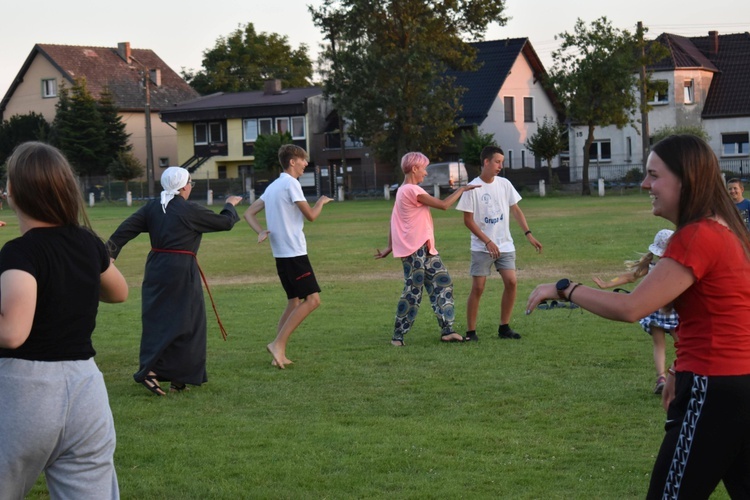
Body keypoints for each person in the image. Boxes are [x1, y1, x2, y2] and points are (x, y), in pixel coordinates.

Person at [526, 135, 750, 498]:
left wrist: (566, 288)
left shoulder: (697, 236)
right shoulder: (727, 230)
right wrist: (680, 368)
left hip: (714, 389)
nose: (645, 184)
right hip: (736, 384)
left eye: (653, 175)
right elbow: (729, 315)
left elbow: (631, 308)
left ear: (685, 179)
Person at [0, 142, 128, 499]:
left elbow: (11, 332)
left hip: (26, 390)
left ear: (14, 192)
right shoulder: (88, 243)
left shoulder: (21, 251)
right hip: (86, 389)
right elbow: (119, 292)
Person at [108, 167, 242, 395]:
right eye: (190, 182)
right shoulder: (188, 209)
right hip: (181, 271)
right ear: (183, 186)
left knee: (158, 321)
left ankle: (172, 377)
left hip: (156, 268)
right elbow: (225, 222)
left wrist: (108, 257)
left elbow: (124, 231)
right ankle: (161, 374)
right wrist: (230, 204)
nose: (191, 187)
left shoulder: (153, 206)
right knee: (188, 322)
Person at [374, 151, 479, 346]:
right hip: (414, 249)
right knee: (413, 291)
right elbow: (444, 205)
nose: (426, 173)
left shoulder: (404, 190)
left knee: (443, 282)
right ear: (414, 168)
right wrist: (462, 189)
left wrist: (390, 246)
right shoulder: (411, 190)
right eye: (424, 169)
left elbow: (393, 219)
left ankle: (448, 330)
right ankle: (398, 335)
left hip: (426, 247)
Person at [244, 145, 332, 368]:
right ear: (292, 161)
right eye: (303, 160)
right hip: (294, 252)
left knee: (294, 301)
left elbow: (248, 212)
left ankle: (278, 351)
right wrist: (321, 202)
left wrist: (261, 231)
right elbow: (311, 216)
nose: (305, 164)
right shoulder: (291, 184)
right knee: (312, 300)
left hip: (281, 253)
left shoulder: (274, 186)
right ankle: (277, 345)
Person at [456, 145, 542, 341]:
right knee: (478, 288)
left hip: (505, 244)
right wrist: (487, 241)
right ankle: (471, 332)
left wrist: (528, 234)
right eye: (497, 162)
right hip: (481, 246)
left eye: (502, 162)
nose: (500, 166)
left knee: (511, 282)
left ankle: (504, 328)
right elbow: (468, 221)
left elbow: (516, 210)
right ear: (486, 162)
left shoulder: (504, 184)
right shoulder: (472, 188)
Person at [593, 229, 679, 394]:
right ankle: (680, 375)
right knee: (682, 345)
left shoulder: (652, 266)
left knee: (659, 345)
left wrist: (607, 284)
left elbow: (629, 277)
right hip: (672, 312)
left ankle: (661, 377)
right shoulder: (675, 267)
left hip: (654, 311)